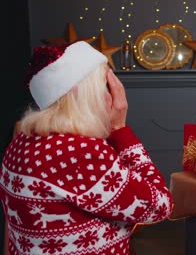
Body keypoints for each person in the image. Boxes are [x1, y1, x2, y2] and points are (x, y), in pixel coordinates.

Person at [0, 41, 173, 255]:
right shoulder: (81, 152)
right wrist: (120, 129)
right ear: (84, 93)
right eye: (103, 85)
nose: (110, 96)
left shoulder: (21, 140)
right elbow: (160, 206)